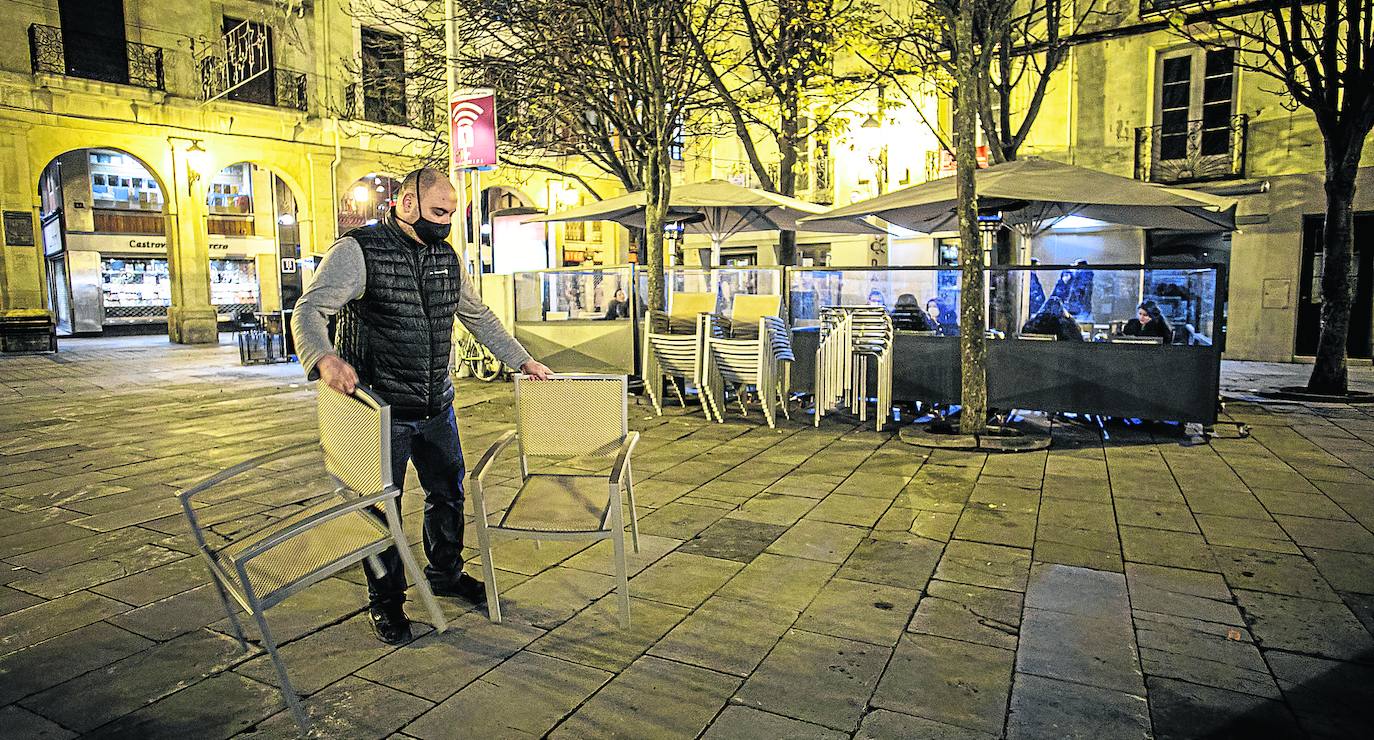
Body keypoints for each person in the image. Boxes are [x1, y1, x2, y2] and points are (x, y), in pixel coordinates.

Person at [293, 167, 554, 645]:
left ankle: (446, 574)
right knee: (379, 509)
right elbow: (310, 310)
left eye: (451, 214)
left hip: (437, 406)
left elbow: (478, 316)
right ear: (406, 203)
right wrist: (324, 358)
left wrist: (523, 361)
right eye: (438, 212)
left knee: (447, 494)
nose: (445, 222)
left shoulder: (446, 256)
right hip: (379, 410)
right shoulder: (356, 251)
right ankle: (386, 602)